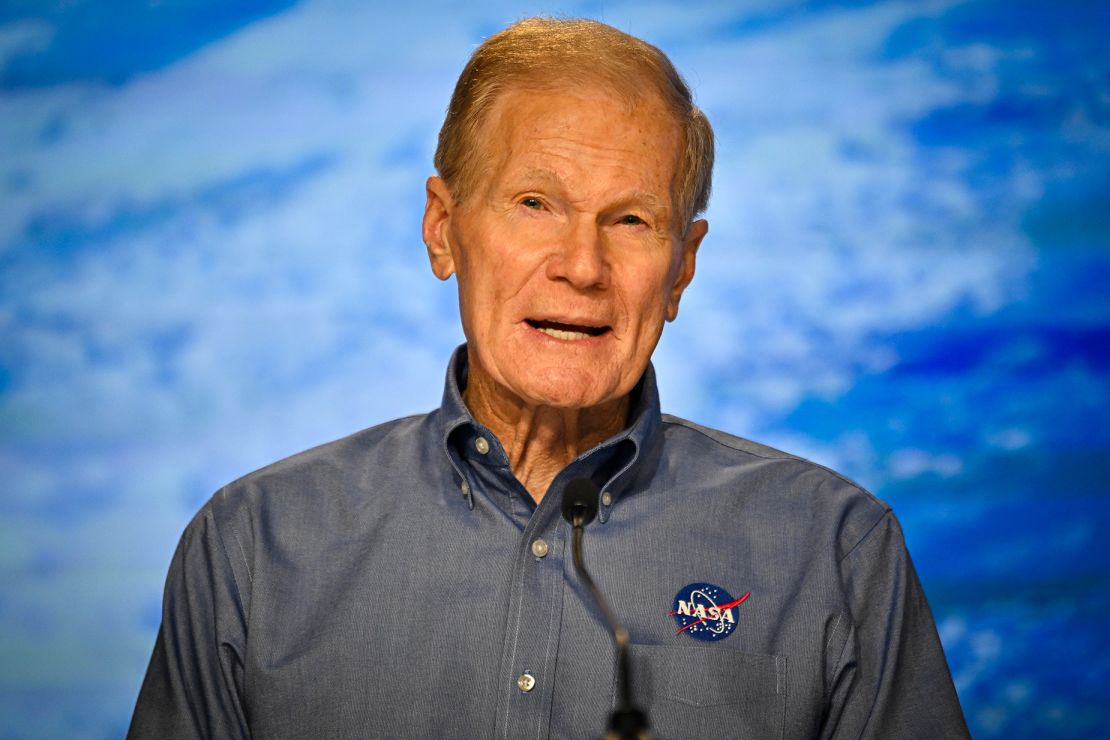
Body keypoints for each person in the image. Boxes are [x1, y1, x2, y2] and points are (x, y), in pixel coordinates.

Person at [129, 17, 969, 740]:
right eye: (536, 203)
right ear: (442, 229)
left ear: (681, 270)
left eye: (632, 220)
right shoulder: (254, 548)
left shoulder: (834, 551)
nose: (582, 266)